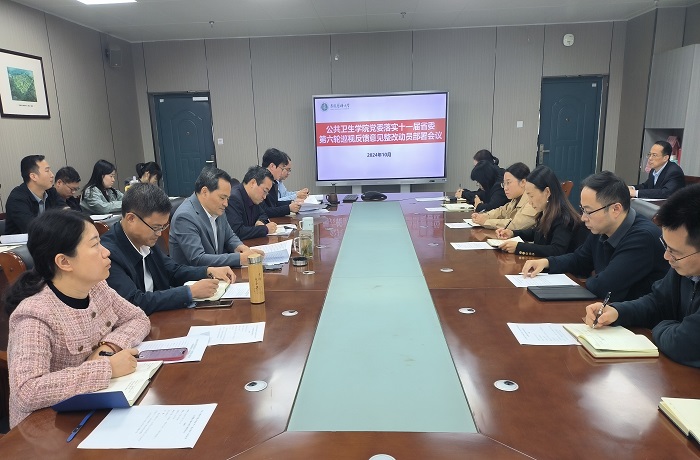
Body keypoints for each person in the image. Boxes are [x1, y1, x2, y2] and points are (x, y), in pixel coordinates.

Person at [4, 210, 150, 428]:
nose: (106, 252)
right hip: (48, 428)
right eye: (95, 245)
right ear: (64, 261)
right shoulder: (35, 314)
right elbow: (27, 391)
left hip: (93, 408)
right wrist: (107, 367)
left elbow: (138, 318)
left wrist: (109, 346)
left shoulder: (97, 288)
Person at [584, 184, 700, 368]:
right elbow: (658, 302)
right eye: (666, 246)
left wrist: (661, 326)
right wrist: (617, 312)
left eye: (675, 252)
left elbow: (683, 344)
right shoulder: (684, 266)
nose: (666, 256)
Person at [522, 171, 668, 302]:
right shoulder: (602, 228)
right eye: (582, 209)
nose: (583, 218)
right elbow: (580, 259)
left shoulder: (642, 239)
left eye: (588, 211)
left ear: (615, 209)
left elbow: (605, 286)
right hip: (607, 309)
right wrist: (547, 263)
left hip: (635, 320)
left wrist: (588, 281)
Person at [101, 183, 235, 315]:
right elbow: (133, 301)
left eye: (162, 227)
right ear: (131, 219)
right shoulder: (108, 254)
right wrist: (189, 292)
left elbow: (173, 271)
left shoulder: (145, 239)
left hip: (161, 317)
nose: (159, 233)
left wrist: (207, 271)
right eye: (155, 227)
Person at [169, 166, 261, 267]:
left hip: (217, 272)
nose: (226, 204)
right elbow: (198, 259)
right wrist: (239, 258)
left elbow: (229, 236)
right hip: (194, 276)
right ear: (205, 192)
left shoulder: (216, 208)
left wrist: (241, 248)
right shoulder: (185, 217)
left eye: (227, 198)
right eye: (222, 197)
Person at [495, 165, 588, 257]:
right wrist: (512, 233)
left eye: (531, 196)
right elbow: (537, 233)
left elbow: (556, 250)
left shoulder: (563, 217)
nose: (530, 202)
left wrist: (519, 247)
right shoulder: (547, 211)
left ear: (547, 192)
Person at [5, 155, 66, 235]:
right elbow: (32, 228)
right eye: (47, 171)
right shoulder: (17, 199)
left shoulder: (51, 191)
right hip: (23, 242)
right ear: (33, 176)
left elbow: (66, 213)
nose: (52, 175)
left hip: (48, 239)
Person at [470, 162, 537, 230]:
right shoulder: (515, 199)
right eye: (504, 184)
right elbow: (501, 211)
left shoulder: (532, 201)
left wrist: (485, 222)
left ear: (523, 182)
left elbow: (515, 225)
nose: (505, 188)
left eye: (508, 183)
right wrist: (483, 216)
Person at [226, 166, 278, 240]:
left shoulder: (254, 197)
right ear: (253, 183)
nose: (264, 197)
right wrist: (265, 229)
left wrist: (260, 221)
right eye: (264, 191)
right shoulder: (233, 198)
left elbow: (263, 214)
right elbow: (237, 232)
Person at [261, 148, 302, 217]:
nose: (282, 172)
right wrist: (288, 208)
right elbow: (264, 211)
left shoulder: (273, 182)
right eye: (282, 169)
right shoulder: (261, 181)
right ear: (272, 166)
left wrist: (291, 203)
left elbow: (274, 204)